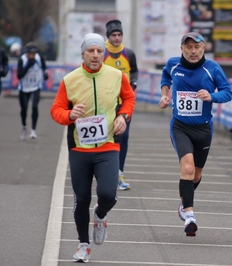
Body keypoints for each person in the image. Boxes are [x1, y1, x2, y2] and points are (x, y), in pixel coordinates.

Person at [50, 33, 135, 263]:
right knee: (82, 198)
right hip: (79, 149)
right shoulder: (70, 80)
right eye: (91, 51)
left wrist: (123, 116)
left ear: (103, 54)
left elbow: (129, 99)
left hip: (108, 146)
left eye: (99, 51)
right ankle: (83, 245)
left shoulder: (117, 76)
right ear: (83, 54)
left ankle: (100, 214)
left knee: (109, 194)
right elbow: (56, 110)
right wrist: (69, 114)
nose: (96, 55)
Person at [158, 32, 232, 237]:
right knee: (188, 167)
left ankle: (184, 203)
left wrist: (212, 96)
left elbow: (228, 92)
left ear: (203, 48)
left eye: (197, 47)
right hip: (180, 126)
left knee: (196, 174)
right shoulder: (173, 64)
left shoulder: (213, 69)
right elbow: (165, 76)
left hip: (203, 129)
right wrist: (165, 95)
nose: (193, 51)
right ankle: (189, 215)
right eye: (189, 47)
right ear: (182, 48)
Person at [104, 19, 139, 191]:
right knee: (108, 137)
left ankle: (119, 172)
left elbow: (134, 70)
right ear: (108, 36)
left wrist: (133, 84)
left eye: (119, 35)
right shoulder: (101, 54)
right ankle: (105, 172)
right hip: (107, 104)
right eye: (113, 35)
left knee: (123, 137)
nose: (117, 38)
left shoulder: (129, 53)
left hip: (125, 103)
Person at [17, 42, 48, 140]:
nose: (32, 55)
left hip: (36, 87)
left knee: (34, 106)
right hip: (24, 88)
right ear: (26, 53)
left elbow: (44, 69)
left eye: (33, 53)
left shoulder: (39, 58)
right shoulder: (22, 60)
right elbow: (19, 75)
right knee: (24, 109)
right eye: (29, 53)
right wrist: (28, 66)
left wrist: (45, 75)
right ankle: (24, 126)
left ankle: (33, 130)